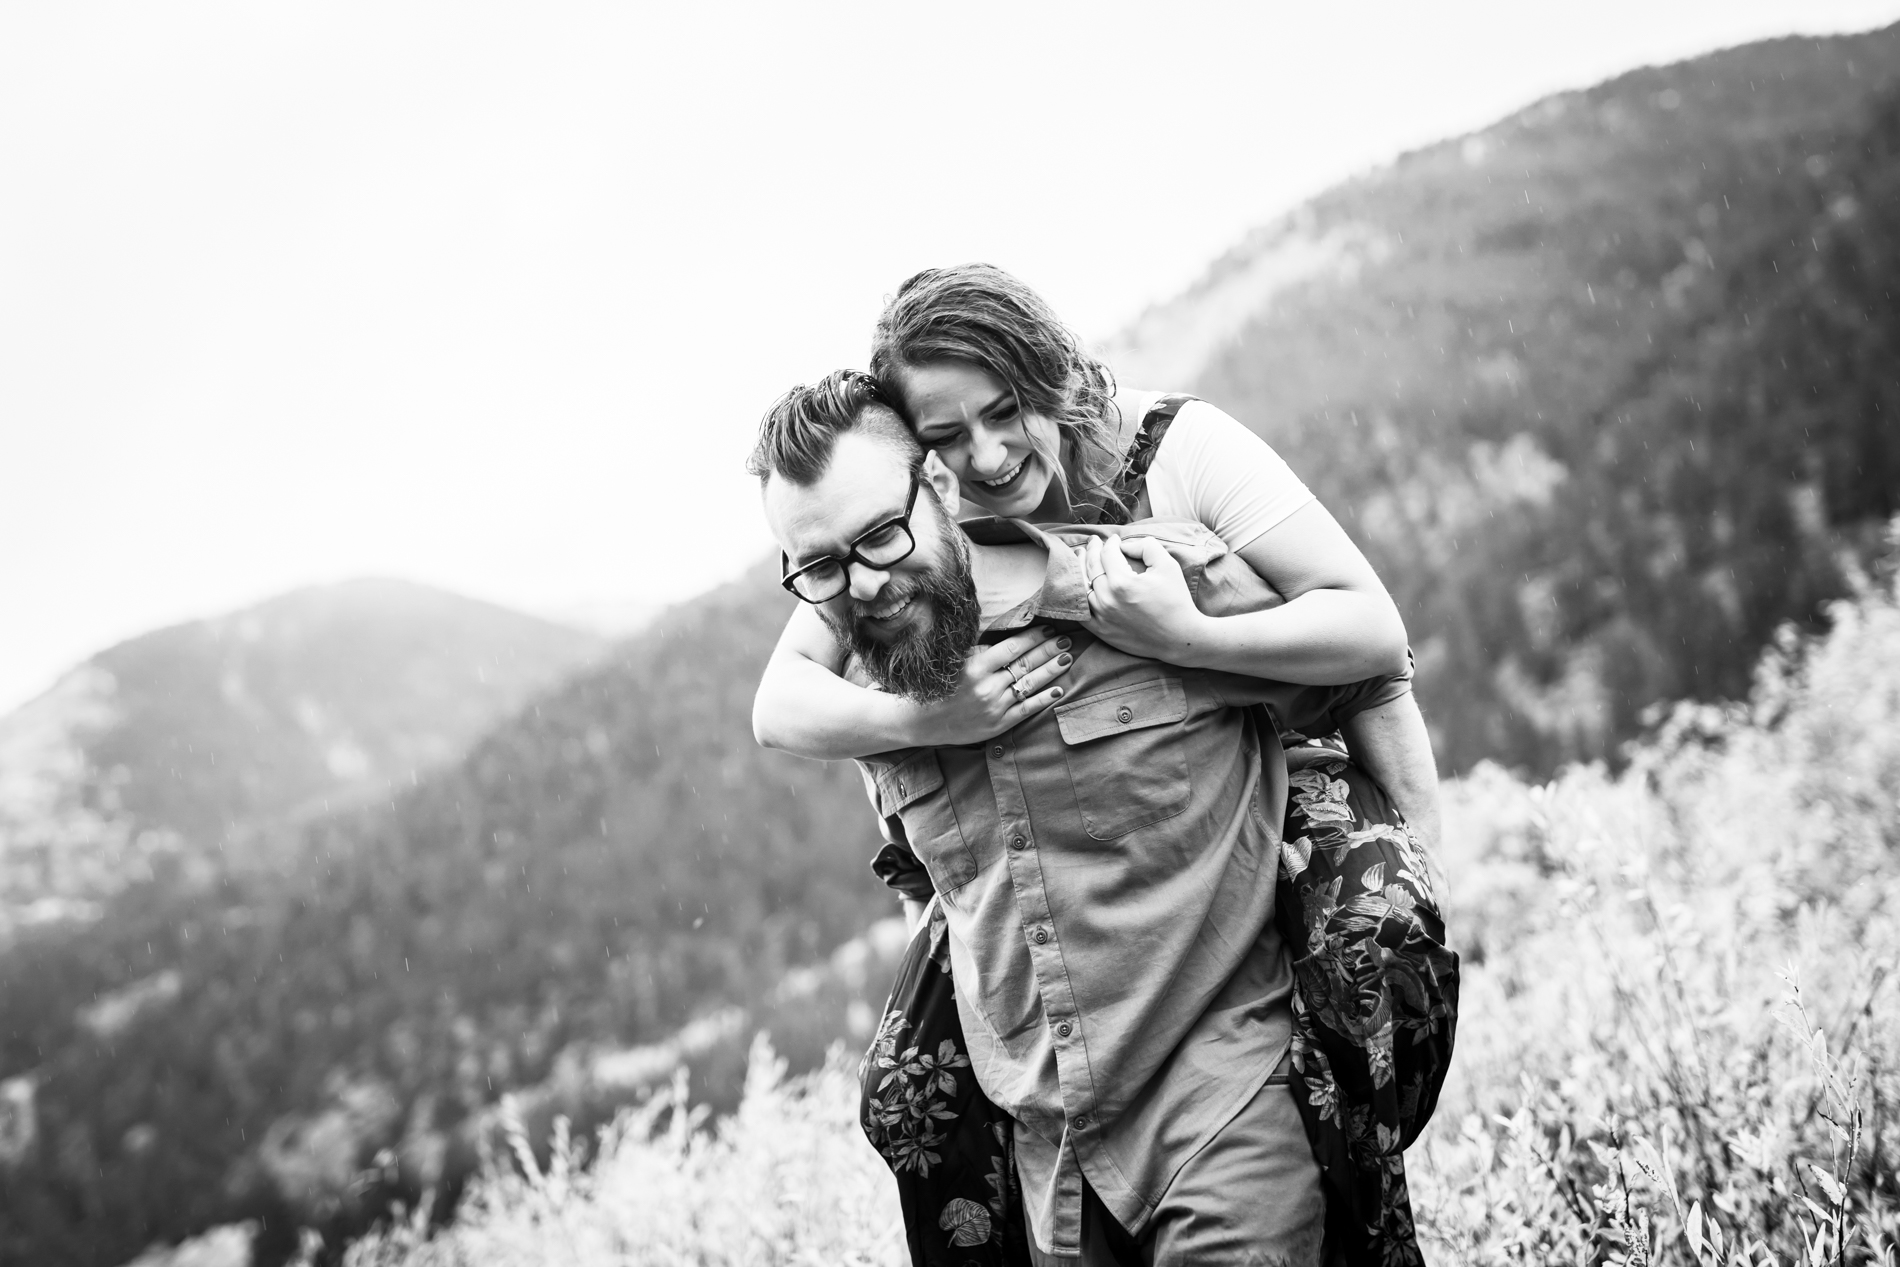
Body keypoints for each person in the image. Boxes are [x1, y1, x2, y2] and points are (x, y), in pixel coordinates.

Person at [750, 379, 1431, 1265]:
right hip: (1052, 1174)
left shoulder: (1148, 588)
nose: (866, 585)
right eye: (823, 567)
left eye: (882, 534)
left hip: (1225, 1109)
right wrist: (926, 722)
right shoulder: (874, 696)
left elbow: (1368, 666)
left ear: (942, 488)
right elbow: (932, 885)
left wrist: (1426, 879)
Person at [753, 264, 1443, 870]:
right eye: (949, 437)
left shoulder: (1180, 450)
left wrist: (1187, 639)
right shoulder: (921, 520)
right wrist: (929, 720)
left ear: (1049, 374)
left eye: (1006, 411)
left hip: (1294, 774)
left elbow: (1374, 638)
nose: (988, 457)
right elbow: (781, 703)